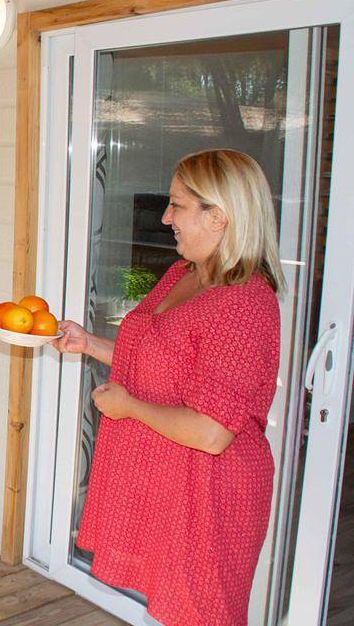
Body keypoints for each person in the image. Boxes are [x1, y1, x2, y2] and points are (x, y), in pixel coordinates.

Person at [53, 149, 283, 626]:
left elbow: (212, 432)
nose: (165, 217)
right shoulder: (184, 274)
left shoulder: (244, 303)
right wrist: (88, 343)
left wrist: (129, 407)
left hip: (207, 494)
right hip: (166, 481)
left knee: (201, 614)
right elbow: (156, 358)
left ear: (218, 217)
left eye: (177, 205)